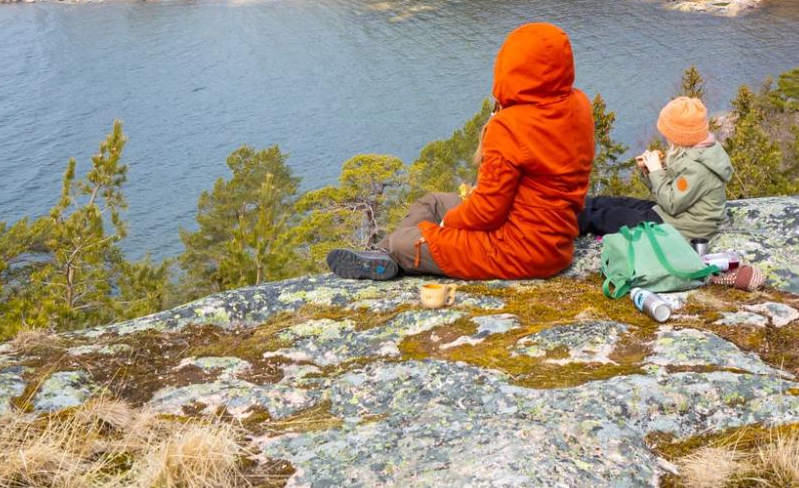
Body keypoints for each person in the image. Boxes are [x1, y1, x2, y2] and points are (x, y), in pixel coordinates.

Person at [327, 21, 594, 281]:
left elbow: (489, 211)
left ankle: (390, 251)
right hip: (556, 244)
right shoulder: (579, 105)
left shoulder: (510, 125)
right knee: (432, 202)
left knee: (401, 241)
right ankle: (383, 254)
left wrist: (445, 227)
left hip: (516, 250)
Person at [579, 95, 765, 290]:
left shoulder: (698, 168)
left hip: (683, 227)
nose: (665, 138)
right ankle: (572, 202)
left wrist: (657, 171)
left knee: (608, 216)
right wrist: (648, 171)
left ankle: (563, 220)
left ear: (681, 136)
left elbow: (672, 202)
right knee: (615, 202)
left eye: (668, 133)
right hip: (673, 214)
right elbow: (668, 194)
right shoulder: (695, 153)